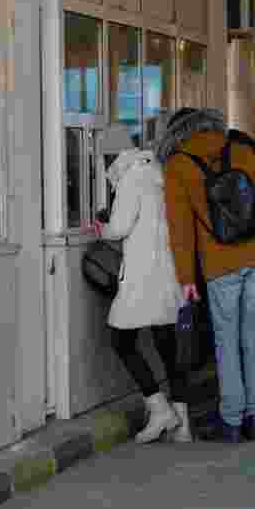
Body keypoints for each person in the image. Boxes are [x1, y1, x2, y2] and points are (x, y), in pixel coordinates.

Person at [157, 108, 255, 443]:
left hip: (220, 264)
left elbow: (181, 230)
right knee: (251, 338)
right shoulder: (240, 150)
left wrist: (187, 278)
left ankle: (232, 419)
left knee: (226, 342)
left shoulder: (179, 166)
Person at [93, 145, 192, 444]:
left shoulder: (131, 179)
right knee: (168, 347)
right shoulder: (160, 175)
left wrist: (100, 227)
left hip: (141, 275)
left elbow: (120, 227)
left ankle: (158, 407)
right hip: (167, 272)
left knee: (120, 339)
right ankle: (183, 425)